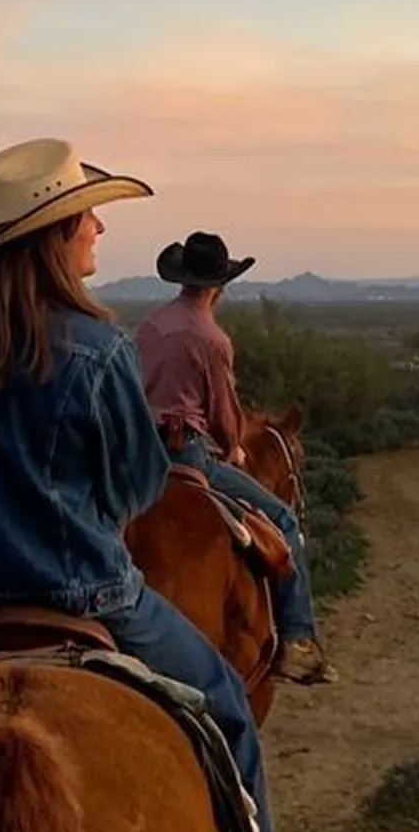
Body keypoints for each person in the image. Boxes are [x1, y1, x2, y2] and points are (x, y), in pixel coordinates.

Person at [0, 138, 274, 832]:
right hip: (90, 596)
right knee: (231, 718)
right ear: (54, 237)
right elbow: (137, 485)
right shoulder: (98, 348)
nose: (98, 228)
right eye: (87, 217)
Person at [133, 231, 337, 685]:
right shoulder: (212, 339)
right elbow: (224, 415)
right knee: (282, 520)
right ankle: (296, 641)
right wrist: (233, 447)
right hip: (185, 452)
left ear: (182, 280)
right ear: (219, 286)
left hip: (136, 454)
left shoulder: (150, 326)